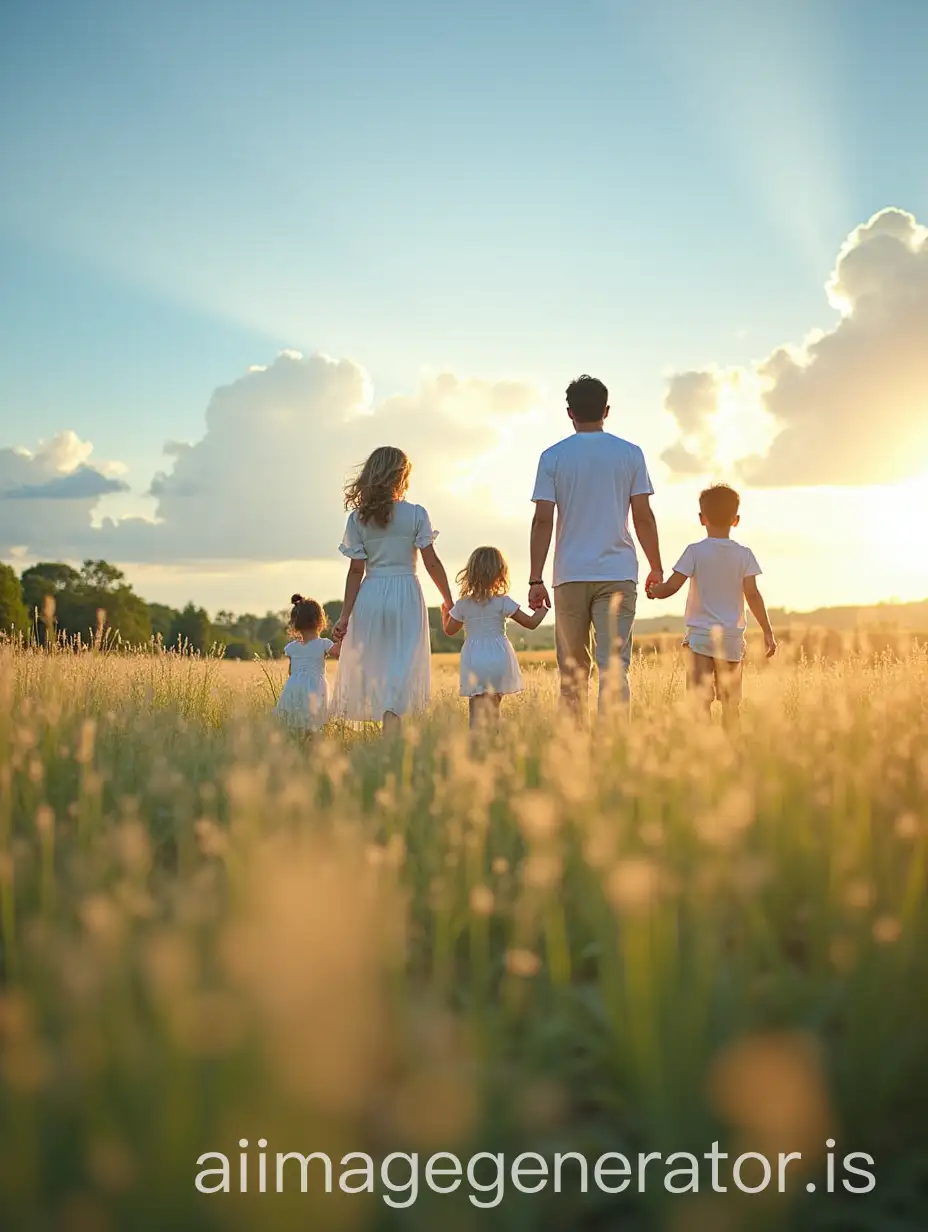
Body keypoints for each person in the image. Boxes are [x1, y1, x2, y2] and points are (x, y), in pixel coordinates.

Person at [528, 374, 663, 719]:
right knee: (614, 667)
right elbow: (643, 517)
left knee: (572, 672)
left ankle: (573, 748)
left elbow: (543, 519)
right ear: (606, 410)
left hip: (570, 574)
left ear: (569, 412)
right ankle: (613, 747)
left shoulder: (552, 456)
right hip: (618, 572)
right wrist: (656, 567)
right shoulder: (630, 454)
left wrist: (535, 579)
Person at [332, 445, 453, 733]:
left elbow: (355, 571)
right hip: (406, 593)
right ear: (401, 476)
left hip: (371, 594)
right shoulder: (416, 513)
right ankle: (392, 731)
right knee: (402, 665)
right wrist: (449, 600)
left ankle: (386, 735)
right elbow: (432, 562)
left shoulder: (357, 518)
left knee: (375, 664)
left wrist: (344, 616)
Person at [646, 483, 777, 725]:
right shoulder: (744, 555)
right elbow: (753, 595)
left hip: (700, 640)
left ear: (701, 518)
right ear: (736, 520)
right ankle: (731, 749)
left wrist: (655, 591)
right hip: (731, 640)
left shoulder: (694, 552)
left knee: (699, 702)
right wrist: (768, 631)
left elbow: (672, 587)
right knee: (730, 704)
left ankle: (703, 750)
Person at [441, 546, 548, 728]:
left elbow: (450, 630)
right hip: (498, 657)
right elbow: (531, 623)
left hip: (474, 658)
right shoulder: (503, 602)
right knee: (494, 706)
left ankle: (476, 744)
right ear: (500, 574)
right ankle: (493, 743)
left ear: (471, 573)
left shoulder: (463, 605)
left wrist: (445, 614)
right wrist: (542, 609)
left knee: (475, 706)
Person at [274, 594, 339, 732]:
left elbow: (291, 672)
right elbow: (339, 653)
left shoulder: (292, 647)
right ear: (320, 620)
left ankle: (297, 748)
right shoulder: (323, 644)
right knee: (313, 726)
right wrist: (345, 636)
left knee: (295, 724)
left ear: (295, 623)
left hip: (293, 686)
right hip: (315, 687)